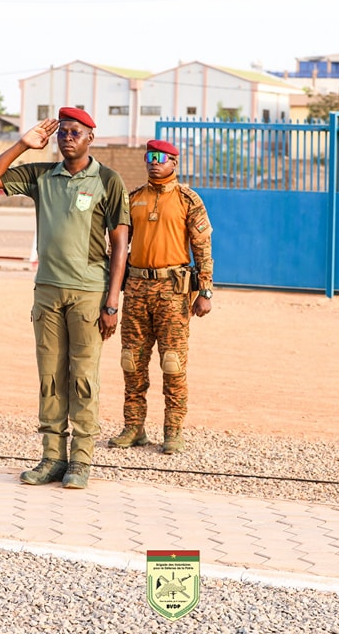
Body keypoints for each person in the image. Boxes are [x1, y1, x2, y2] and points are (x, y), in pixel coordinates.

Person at [0, 107, 130, 490]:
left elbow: (120, 244)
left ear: (91, 137)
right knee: (50, 376)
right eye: (62, 132)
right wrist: (22, 145)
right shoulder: (42, 175)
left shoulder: (107, 180)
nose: (67, 138)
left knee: (83, 377)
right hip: (47, 290)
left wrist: (112, 302)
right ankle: (52, 458)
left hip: (89, 292)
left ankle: (81, 460)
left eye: (75, 132)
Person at [108, 139, 214, 455]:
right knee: (132, 361)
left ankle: (173, 431)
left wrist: (205, 290)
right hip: (137, 290)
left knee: (173, 363)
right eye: (150, 156)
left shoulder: (187, 199)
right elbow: (118, 247)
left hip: (173, 291)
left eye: (161, 157)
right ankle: (134, 428)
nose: (154, 162)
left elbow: (202, 247)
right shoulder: (133, 199)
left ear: (174, 163)